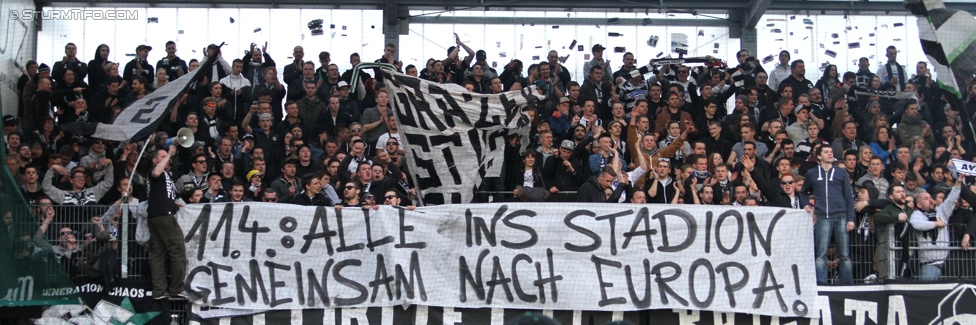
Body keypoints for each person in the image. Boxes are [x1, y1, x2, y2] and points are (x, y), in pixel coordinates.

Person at [800, 145, 856, 284]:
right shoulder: (812, 173)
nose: (830, 153)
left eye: (831, 151)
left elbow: (849, 197)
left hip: (841, 216)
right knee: (821, 255)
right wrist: (806, 204)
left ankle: (848, 285)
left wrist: (851, 219)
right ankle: (822, 284)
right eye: (826, 152)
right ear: (819, 156)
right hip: (823, 217)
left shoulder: (841, 172)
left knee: (844, 254)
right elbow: (802, 192)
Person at [146, 144, 187, 300]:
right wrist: (170, 153)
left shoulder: (166, 175)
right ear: (155, 160)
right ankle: (176, 289)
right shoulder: (155, 170)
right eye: (162, 157)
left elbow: (160, 195)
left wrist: (173, 203)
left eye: (166, 157)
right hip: (164, 217)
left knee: (158, 254)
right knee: (178, 252)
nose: (166, 159)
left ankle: (159, 292)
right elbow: (157, 171)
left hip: (157, 215)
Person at [910, 176, 962, 280]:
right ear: (919, 205)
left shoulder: (941, 211)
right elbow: (916, 224)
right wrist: (936, 224)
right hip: (929, 264)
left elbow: (952, 199)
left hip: (948, 264)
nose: (930, 200)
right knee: (928, 293)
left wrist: (958, 184)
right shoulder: (917, 214)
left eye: (930, 198)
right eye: (926, 198)